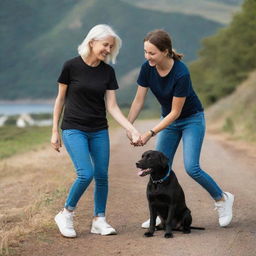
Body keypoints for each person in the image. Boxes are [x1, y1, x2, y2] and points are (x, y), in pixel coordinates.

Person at [127, 29, 234, 228]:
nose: (147, 57)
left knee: (191, 167)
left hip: (191, 119)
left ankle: (222, 199)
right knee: (159, 167)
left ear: (166, 51)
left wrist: (150, 132)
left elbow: (175, 113)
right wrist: (129, 125)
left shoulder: (181, 73)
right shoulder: (147, 68)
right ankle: (161, 214)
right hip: (169, 120)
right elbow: (139, 100)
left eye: (152, 53)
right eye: (145, 52)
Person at [51, 24, 141, 238]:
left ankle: (99, 220)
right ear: (91, 42)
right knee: (86, 173)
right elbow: (60, 99)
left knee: (101, 176)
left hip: (99, 129)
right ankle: (66, 213)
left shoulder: (108, 72)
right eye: (105, 45)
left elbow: (112, 106)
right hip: (74, 129)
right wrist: (54, 130)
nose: (108, 50)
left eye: (111, 47)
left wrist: (131, 129)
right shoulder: (71, 66)